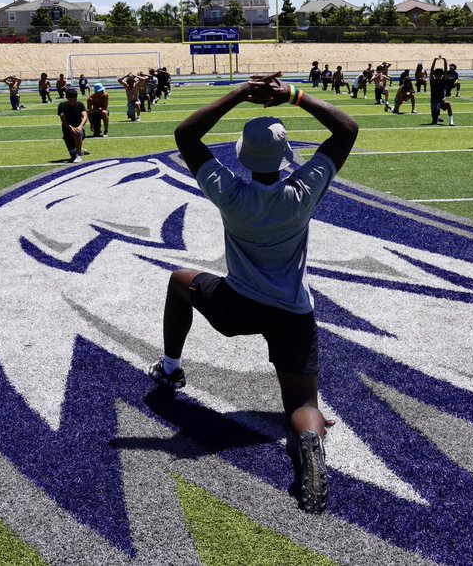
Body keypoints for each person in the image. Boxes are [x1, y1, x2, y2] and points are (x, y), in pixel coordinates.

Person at [149, 72, 359, 516]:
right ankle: (309, 439)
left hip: (237, 304)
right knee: (303, 407)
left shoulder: (230, 192)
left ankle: (171, 369)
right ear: (286, 155)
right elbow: (346, 129)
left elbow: (186, 134)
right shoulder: (303, 191)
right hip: (292, 312)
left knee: (178, 281)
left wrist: (241, 93)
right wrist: (295, 96)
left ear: (243, 156)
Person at [57, 87, 89, 163]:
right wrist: (70, 128)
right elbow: (63, 119)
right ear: (67, 98)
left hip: (79, 130)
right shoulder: (62, 105)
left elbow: (85, 116)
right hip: (67, 131)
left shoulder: (80, 105)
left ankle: (79, 155)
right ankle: (80, 150)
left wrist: (80, 127)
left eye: (74, 99)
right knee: (72, 155)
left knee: (77, 133)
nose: (73, 102)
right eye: (71, 100)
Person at [428, 56, 454, 125]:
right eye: (437, 75)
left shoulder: (443, 80)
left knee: (448, 104)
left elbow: (445, 70)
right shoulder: (432, 80)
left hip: (441, 99)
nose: (439, 76)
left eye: (440, 75)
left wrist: (444, 60)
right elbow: (431, 70)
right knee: (434, 122)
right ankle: (436, 118)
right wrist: (434, 60)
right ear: (435, 75)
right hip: (434, 101)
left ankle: (451, 119)